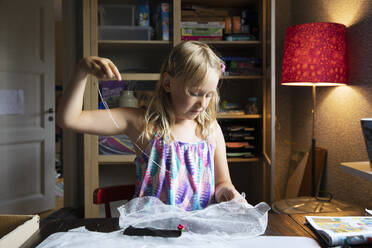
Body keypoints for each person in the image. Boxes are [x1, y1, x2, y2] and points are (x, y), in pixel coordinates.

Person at [57, 41, 243, 211]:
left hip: (200, 234)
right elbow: (69, 119)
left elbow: (222, 182)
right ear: (168, 83)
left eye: (209, 95)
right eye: (194, 93)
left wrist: (228, 192)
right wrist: (81, 71)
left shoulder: (211, 130)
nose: (202, 103)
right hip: (153, 234)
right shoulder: (142, 124)